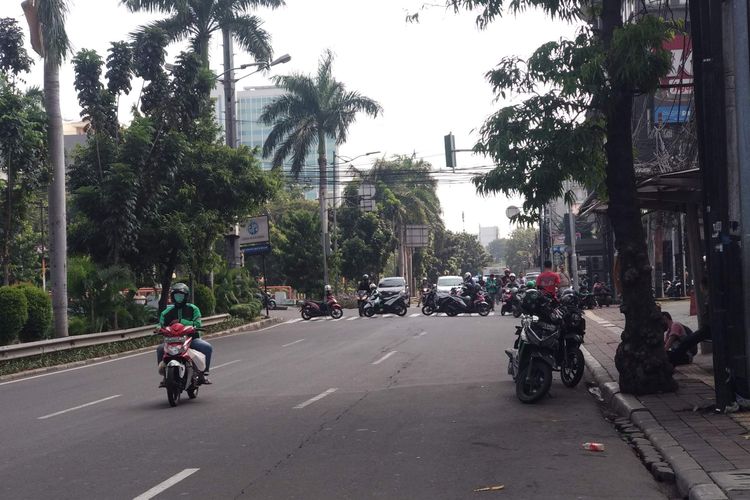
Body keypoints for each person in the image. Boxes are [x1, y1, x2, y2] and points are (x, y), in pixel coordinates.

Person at [157, 283, 213, 385]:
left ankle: (203, 374)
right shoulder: (166, 312)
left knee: (206, 347)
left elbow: (197, 323)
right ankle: (165, 376)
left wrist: (180, 321)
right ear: (172, 297)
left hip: (191, 339)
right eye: (176, 295)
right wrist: (158, 329)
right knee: (160, 349)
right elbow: (160, 325)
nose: (178, 298)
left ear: (186, 296)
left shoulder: (193, 309)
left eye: (181, 295)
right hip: (172, 341)